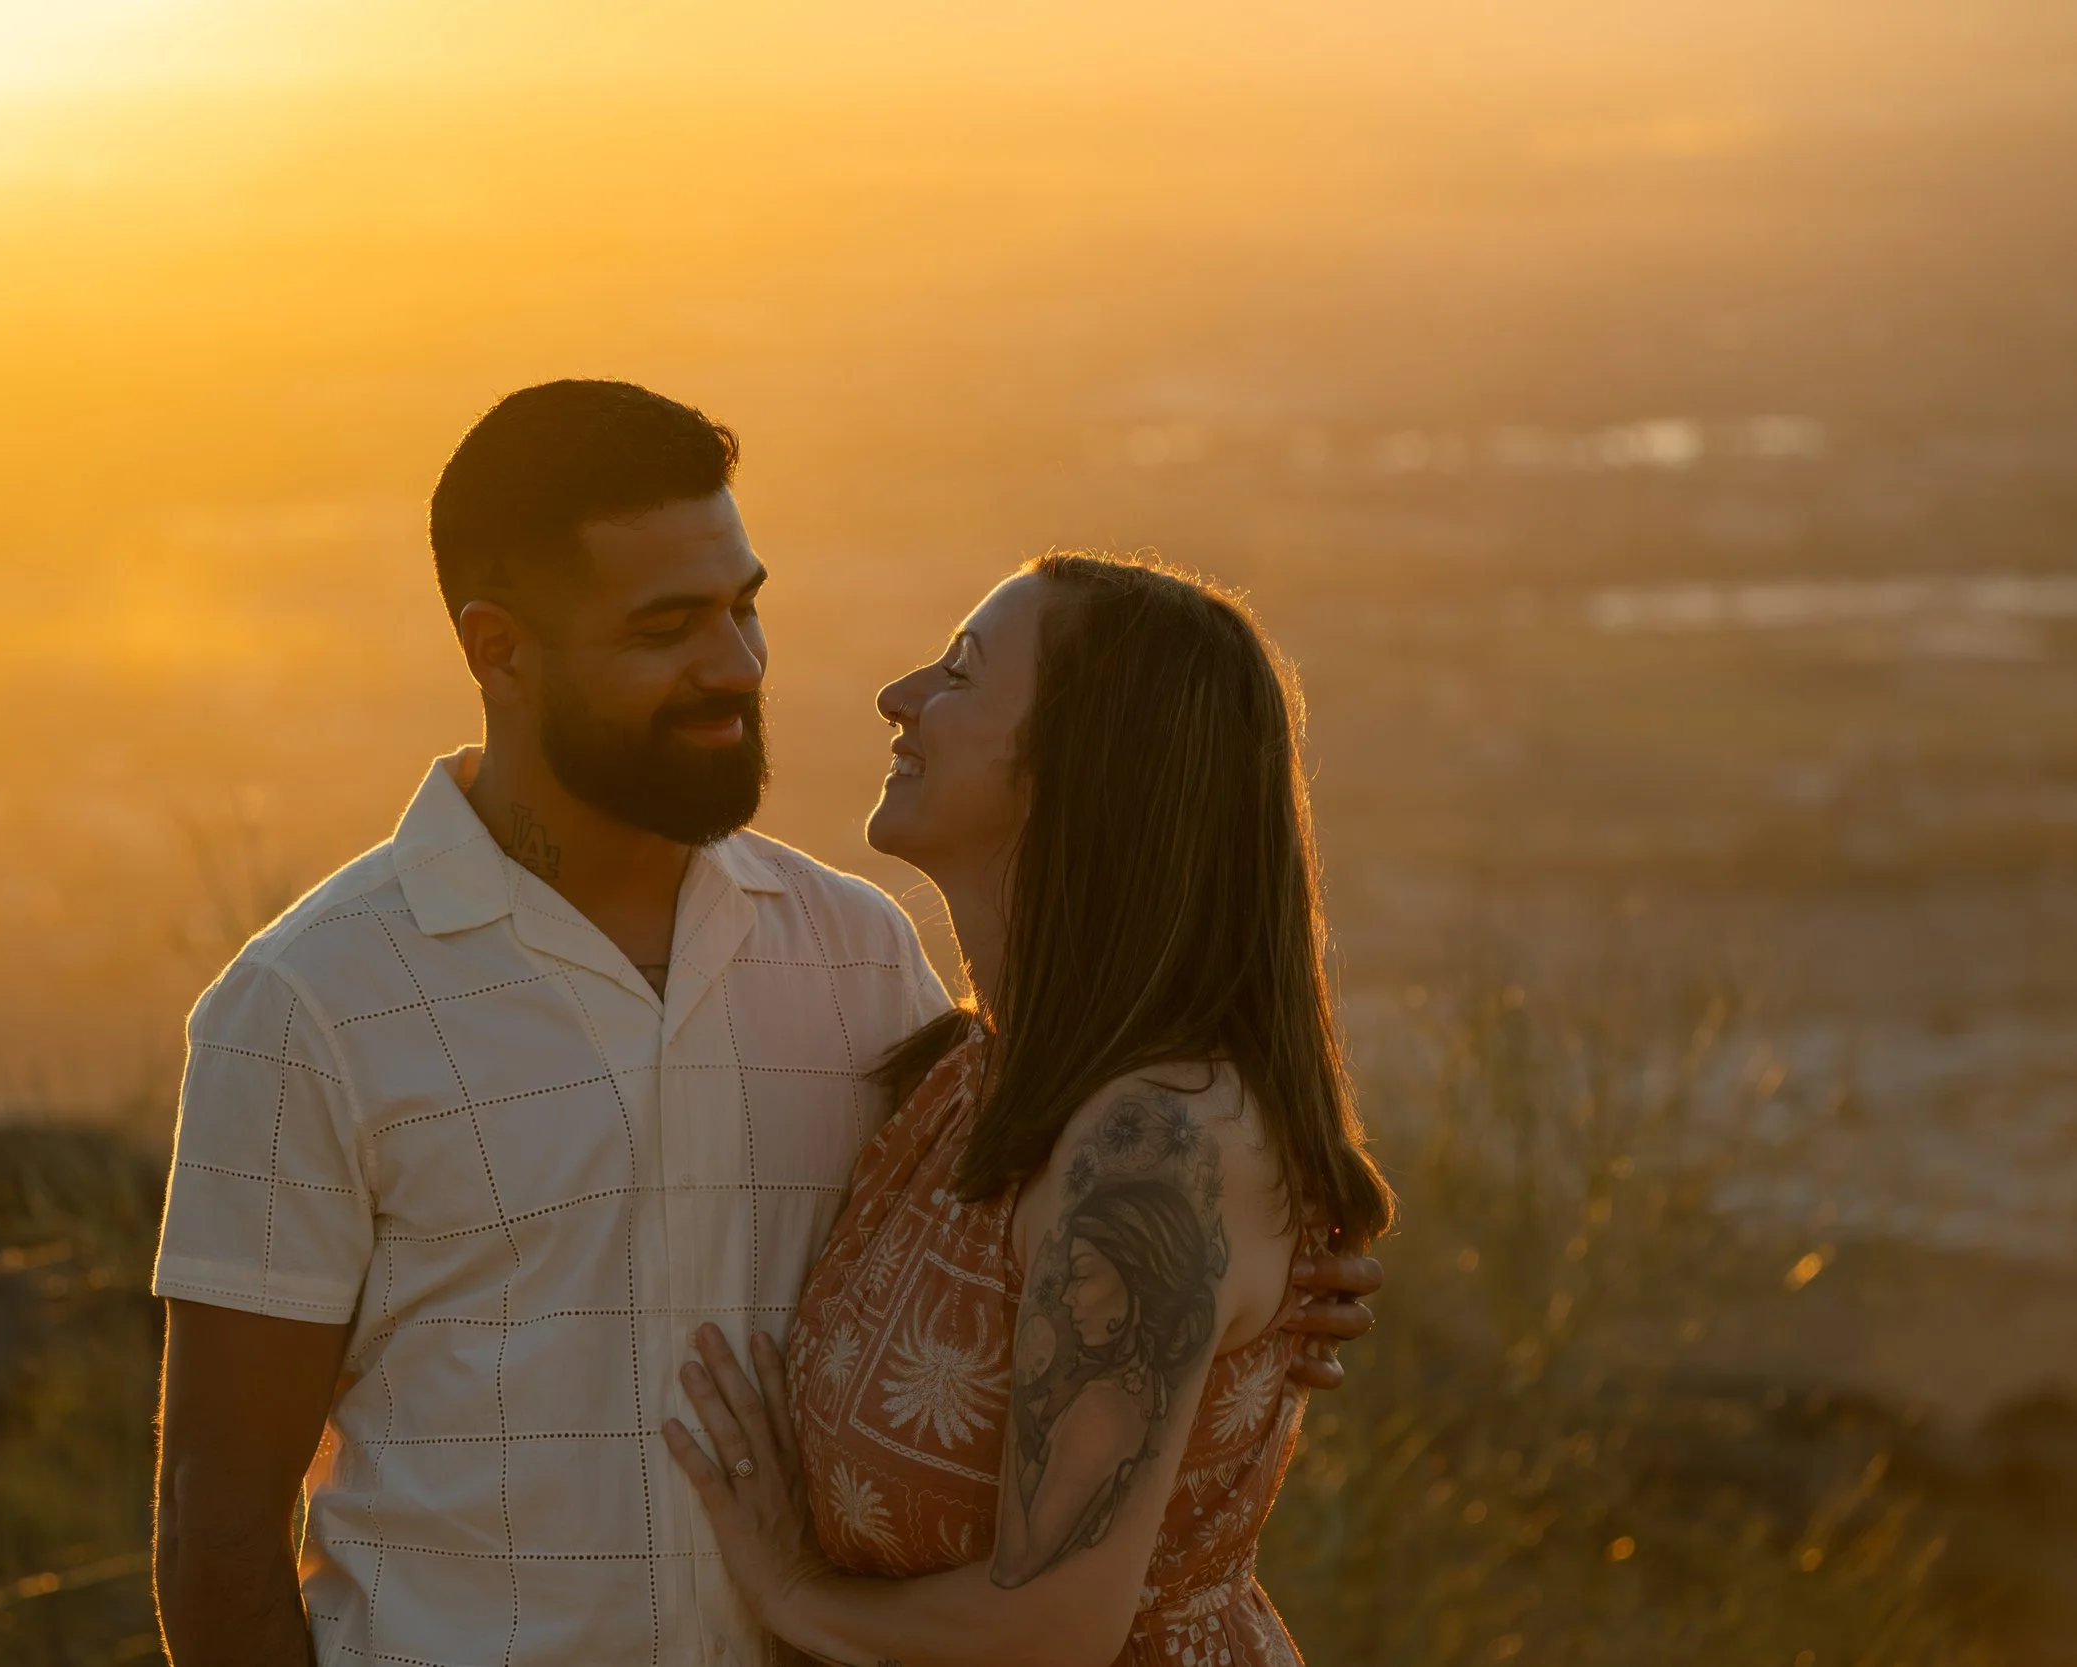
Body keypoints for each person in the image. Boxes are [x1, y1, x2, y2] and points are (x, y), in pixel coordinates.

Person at [147, 382, 1382, 1667]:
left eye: (744, 605)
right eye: (667, 627)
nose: (736, 663)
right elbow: (219, 1530)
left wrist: (1264, 1276)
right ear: (499, 649)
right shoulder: (307, 1008)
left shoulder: (855, 957)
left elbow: (1054, 1233)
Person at [662, 553, 1395, 1666]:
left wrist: (790, 1591)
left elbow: (1053, 1627)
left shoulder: (1149, 1145)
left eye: (959, 673)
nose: (898, 694)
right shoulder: (965, 1075)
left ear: (1078, 767)